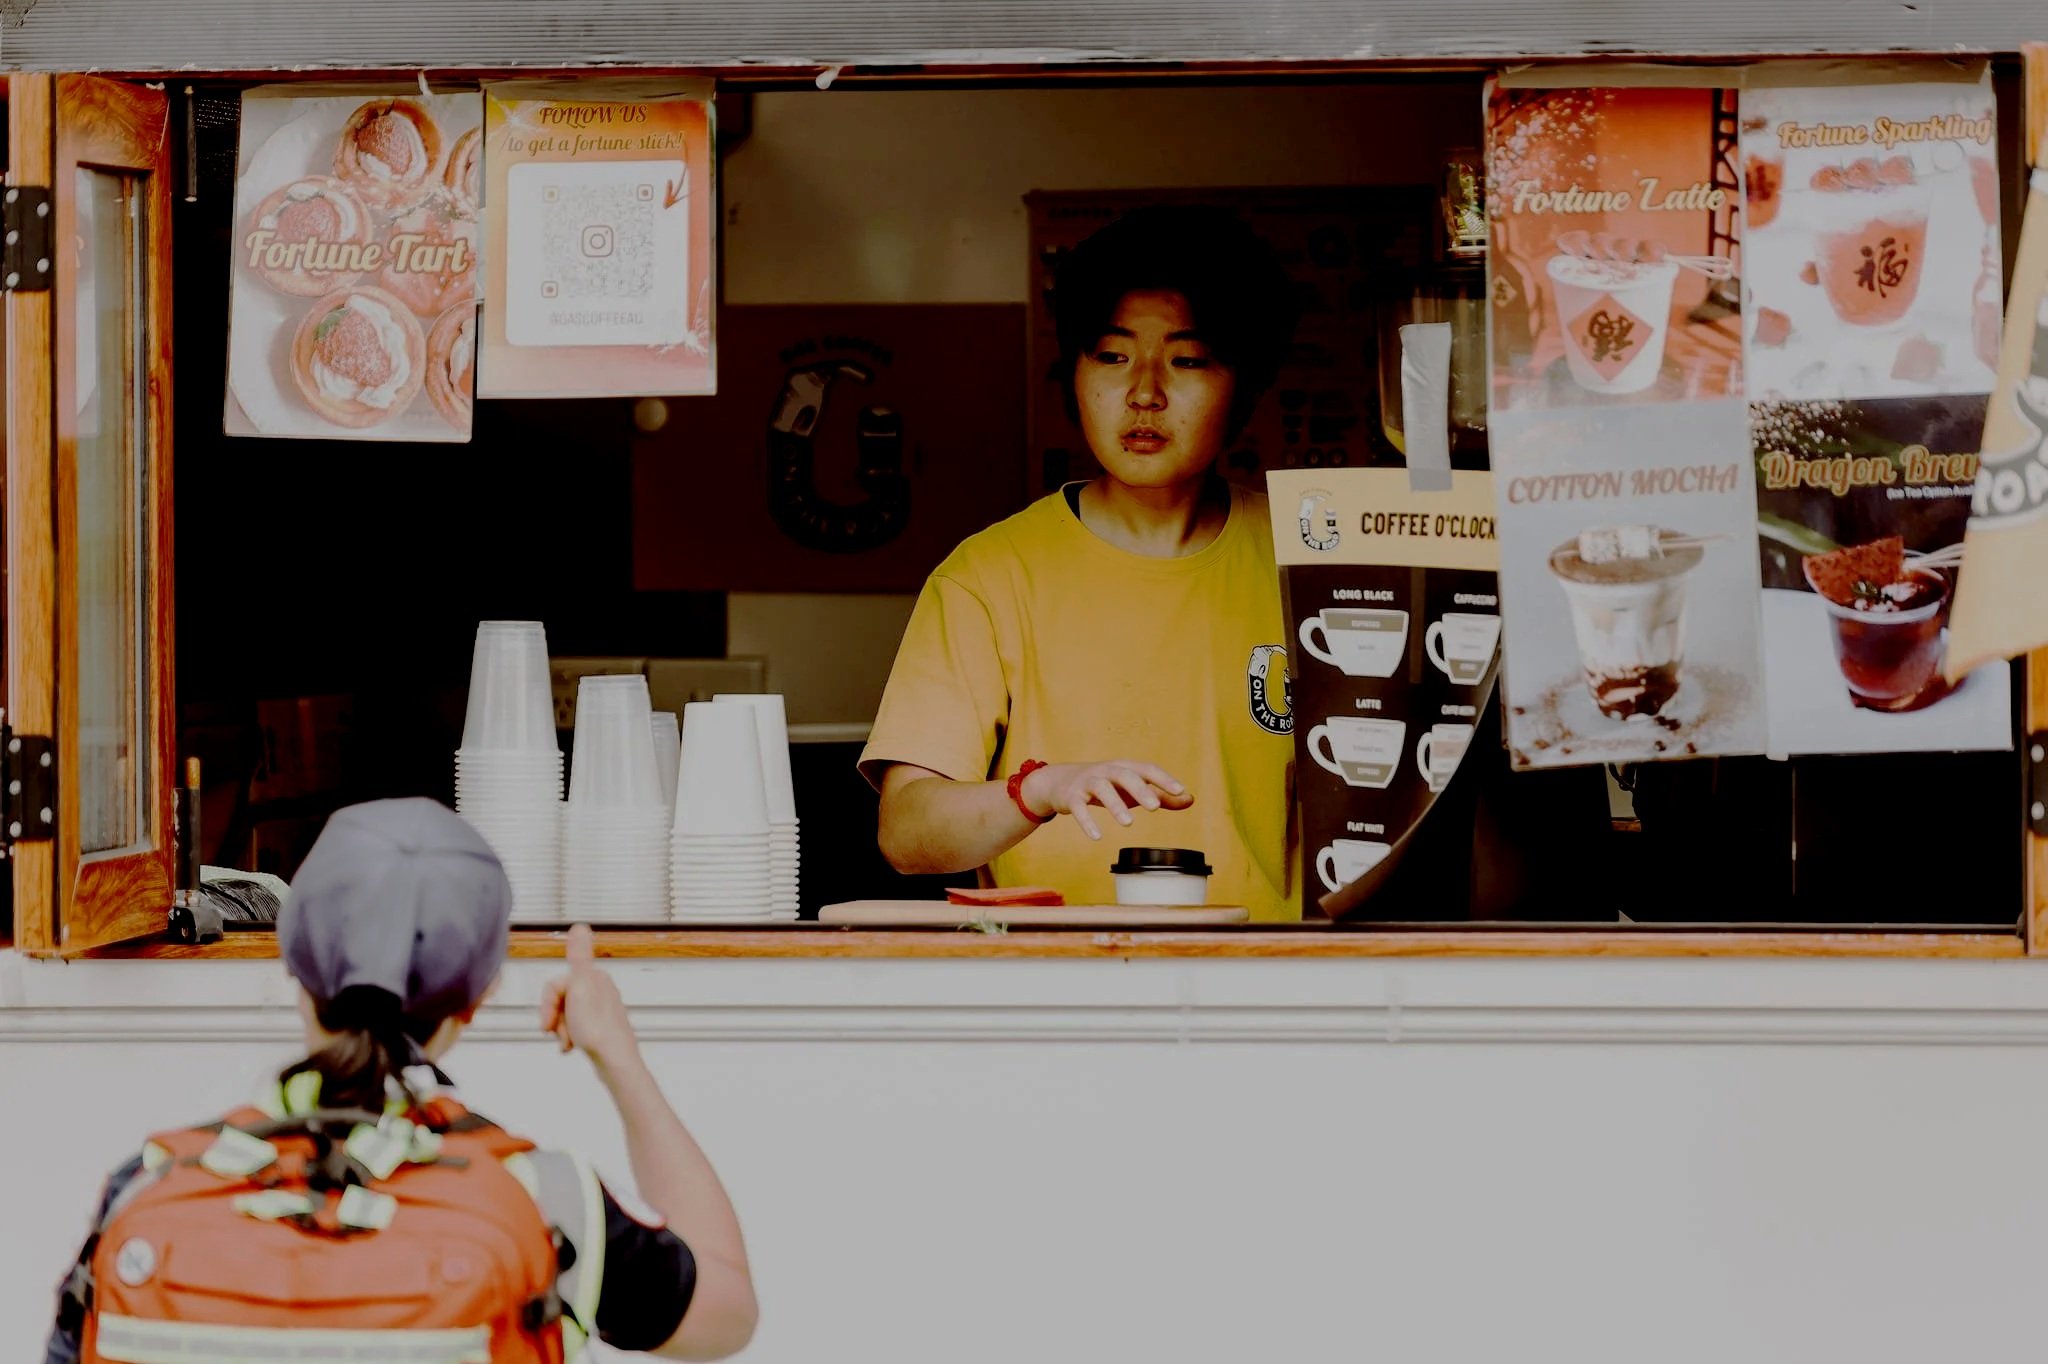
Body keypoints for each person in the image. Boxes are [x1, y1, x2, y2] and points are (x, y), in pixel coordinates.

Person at [45, 798, 757, 1363]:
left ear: (293, 967)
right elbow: (727, 1312)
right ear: (478, 995)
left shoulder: (147, 1183)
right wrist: (619, 1058)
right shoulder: (549, 1200)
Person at [860, 206, 1301, 919]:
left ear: (1243, 387)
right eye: (1112, 355)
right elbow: (908, 832)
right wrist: (1039, 790)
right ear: (1073, 374)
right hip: (1056, 996)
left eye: (1187, 360)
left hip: (1274, 991)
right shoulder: (989, 575)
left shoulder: (1311, 559)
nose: (1145, 393)